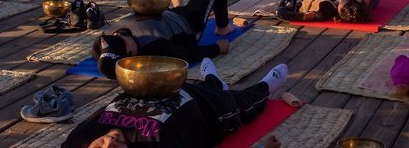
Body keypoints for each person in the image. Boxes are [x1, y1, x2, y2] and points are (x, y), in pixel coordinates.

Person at [61, 59, 288, 148]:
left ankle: (213, 80)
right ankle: (266, 86)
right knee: (242, 103)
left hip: (154, 88)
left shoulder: (76, 141)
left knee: (209, 85)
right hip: (204, 107)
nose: (109, 142)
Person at [93, 0, 236, 78]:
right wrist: (218, 48)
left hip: (164, 16)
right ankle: (222, 27)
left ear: (119, 36)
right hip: (188, 24)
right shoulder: (154, 47)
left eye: (129, 53)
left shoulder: (103, 40)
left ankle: (177, 7)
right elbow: (187, 54)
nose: (133, 56)